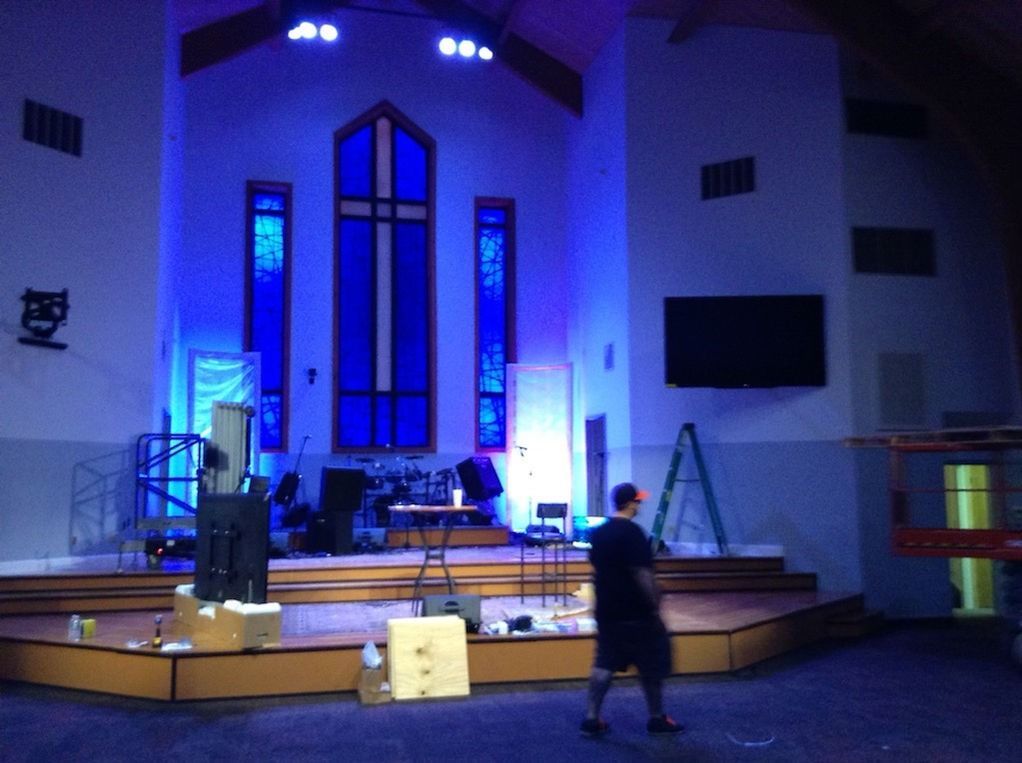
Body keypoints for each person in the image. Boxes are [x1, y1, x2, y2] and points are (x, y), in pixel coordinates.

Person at [580, 482, 683, 738]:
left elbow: (596, 568)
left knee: (604, 663)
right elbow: (642, 575)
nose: (639, 505)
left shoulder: (599, 533)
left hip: (607, 611)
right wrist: (655, 605)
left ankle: (592, 718)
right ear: (628, 503)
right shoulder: (634, 534)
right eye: (637, 501)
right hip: (636, 613)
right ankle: (657, 718)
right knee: (651, 667)